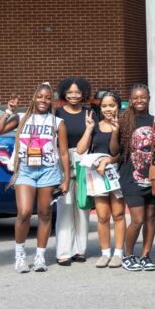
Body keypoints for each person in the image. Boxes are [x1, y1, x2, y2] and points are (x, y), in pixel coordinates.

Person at [0, 83, 69, 274]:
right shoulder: (21, 118)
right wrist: (8, 111)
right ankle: (20, 256)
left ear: (51, 101)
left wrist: (66, 179)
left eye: (47, 98)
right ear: (34, 98)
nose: (43, 100)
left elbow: (63, 153)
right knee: (25, 212)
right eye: (40, 97)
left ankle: (40, 257)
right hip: (25, 171)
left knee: (45, 213)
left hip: (48, 171)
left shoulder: (57, 122)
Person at [76, 90, 125, 268]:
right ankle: (105, 253)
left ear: (118, 106)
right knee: (103, 216)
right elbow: (81, 150)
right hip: (96, 174)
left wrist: (115, 131)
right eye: (104, 105)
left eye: (112, 105)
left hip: (116, 173)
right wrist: (89, 129)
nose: (108, 109)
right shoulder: (94, 126)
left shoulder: (122, 125)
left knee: (118, 214)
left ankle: (118, 253)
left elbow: (117, 152)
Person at [117, 85, 155, 272]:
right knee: (137, 219)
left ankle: (146, 255)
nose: (140, 100)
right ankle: (128, 255)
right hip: (130, 177)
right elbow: (114, 149)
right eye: (135, 97)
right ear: (130, 99)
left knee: (150, 218)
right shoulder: (124, 121)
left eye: (143, 97)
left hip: (153, 176)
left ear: (149, 98)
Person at [54, 77, 96, 265]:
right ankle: (63, 252)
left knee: (82, 206)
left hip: (84, 160)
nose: (73, 95)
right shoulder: (57, 112)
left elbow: (94, 138)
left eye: (77, 92)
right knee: (65, 206)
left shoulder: (90, 112)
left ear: (83, 94)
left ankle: (80, 250)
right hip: (61, 160)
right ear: (64, 93)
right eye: (70, 92)